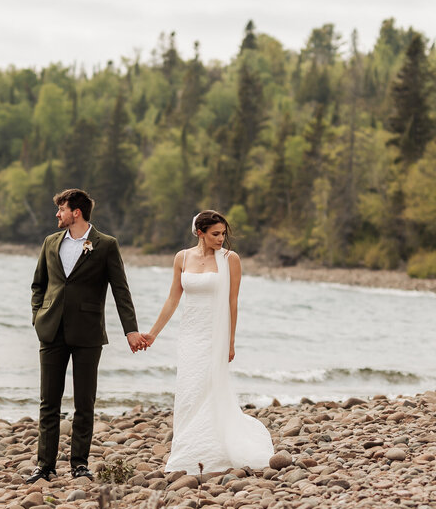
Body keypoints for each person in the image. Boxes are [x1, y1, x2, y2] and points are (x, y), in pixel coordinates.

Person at [29, 188, 151, 482]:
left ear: (76, 213)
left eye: (61, 209)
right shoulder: (50, 242)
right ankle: (44, 466)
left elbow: (120, 289)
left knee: (84, 402)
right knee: (49, 401)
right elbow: (39, 286)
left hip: (88, 332)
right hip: (51, 331)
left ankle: (79, 464)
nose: (57, 215)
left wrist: (131, 330)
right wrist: (38, 317)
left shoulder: (106, 245)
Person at [143, 209, 274, 475]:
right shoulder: (182, 257)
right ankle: (187, 449)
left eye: (224, 234)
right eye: (215, 234)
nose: (221, 239)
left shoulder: (230, 259)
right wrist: (153, 333)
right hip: (190, 333)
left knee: (211, 387)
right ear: (200, 233)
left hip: (216, 334)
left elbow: (232, 302)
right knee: (189, 388)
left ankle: (213, 449)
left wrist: (231, 341)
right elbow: (172, 299)